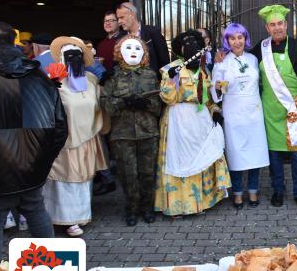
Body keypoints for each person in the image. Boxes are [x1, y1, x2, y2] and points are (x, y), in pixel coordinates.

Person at [0, 21, 66, 265]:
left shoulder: (34, 72)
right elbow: (60, 126)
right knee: (35, 210)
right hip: (32, 164)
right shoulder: (37, 74)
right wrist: (42, 161)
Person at [249, 4, 297, 209]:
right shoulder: (260, 49)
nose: (277, 28)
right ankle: (278, 190)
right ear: (267, 28)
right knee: (274, 155)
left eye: (280, 23)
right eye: (273, 25)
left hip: (294, 110)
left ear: (286, 25)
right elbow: (246, 68)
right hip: (270, 112)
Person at [154, 30, 231, 216]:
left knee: (201, 157)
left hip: (200, 121)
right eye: (186, 43)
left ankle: (201, 203)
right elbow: (168, 98)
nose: (191, 47)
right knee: (179, 159)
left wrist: (214, 111)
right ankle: (179, 206)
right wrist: (173, 79)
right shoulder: (171, 68)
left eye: (195, 43)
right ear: (180, 48)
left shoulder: (204, 69)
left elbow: (208, 98)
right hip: (178, 121)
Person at [42, 36, 108, 236]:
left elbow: (101, 105)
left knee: (83, 180)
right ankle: (63, 219)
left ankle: (79, 216)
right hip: (64, 141)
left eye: (77, 55)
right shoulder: (53, 82)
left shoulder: (91, 80)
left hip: (87, 139)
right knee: (64, 181)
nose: (74, 58)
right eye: (68, 55)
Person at [101, 35, 161, 226]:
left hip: (148, 132)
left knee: (147, 173)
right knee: (128, 175)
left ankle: (147, 208)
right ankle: (131, 209)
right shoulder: (112, 76)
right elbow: (105, 104)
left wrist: (146, 103)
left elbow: (161, 103)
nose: (133, 52)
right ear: (119, 52)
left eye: (137, 48)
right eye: (128, 48)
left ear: (144, 52)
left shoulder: (151, 75)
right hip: (122, 133)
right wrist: (124, 102)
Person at [210, 23, 269, 209]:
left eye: (240, 37)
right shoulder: (221, 61)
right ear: (227, 41)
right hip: (233, 111)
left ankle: (252, 191)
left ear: (245, 38)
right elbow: (215, 91)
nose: (237, 42)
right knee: (235, 153)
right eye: (232, 38)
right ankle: (237, 192)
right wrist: (217, 88)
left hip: (253, 111)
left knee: (255, 153)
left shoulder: (253, 59)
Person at [116, 2, 170, 74]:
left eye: (122, 17)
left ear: (132, 15)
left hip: (151, 83)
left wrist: (162, 82)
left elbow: (164, 61)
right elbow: (118, 62)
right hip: (127, 83)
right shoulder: (120, 37)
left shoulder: (153, 33)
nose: (119, 22)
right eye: (118, 18)